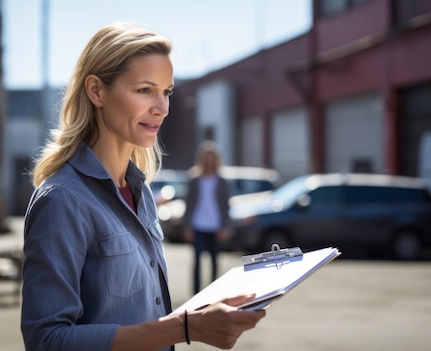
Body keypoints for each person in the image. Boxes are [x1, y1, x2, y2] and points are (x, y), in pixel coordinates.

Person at [20, 22, 265, 351]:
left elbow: (138, 313)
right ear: (96, 91)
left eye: (166, 92)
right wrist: (185, 327)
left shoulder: (142, 192)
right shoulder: (62, 200)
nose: (162, 108)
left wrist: (204, 314)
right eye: (144, 90)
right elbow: (47, 341)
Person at [183, 141, 231, 294]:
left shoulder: (222, 181)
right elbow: (189, 204)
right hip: (198, 225)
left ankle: (213, 293)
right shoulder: (195, 180)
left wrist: (225, 226)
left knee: (215, 262)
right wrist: (187, 226)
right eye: (206, 157)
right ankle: (195, 294)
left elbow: (226, 206)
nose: (209, 160)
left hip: (216, 226)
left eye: (211, 157)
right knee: (197, 262)